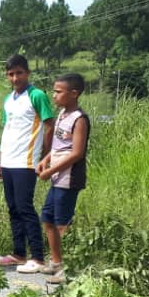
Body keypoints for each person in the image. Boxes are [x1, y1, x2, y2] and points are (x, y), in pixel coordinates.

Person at [0, 54, 55, 273]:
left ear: (27, 73)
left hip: (27, 161)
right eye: (11, 74)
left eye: (19, 73)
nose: (15, 78)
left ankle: (38, 257)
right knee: (13, 208)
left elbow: (49, 125)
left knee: (25, 207)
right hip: (9, 160)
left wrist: (46, 156)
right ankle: (18, 253)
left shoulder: (36, 95)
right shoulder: (8, 100)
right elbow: (7, 130)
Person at [36, 73, 89, 285]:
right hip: (56, 176)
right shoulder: (62, 115)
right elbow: (59, 146)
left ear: (74, 93)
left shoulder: (79, 119)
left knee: (61, 223)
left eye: (59, 91)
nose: (54, 95)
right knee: (48, 218)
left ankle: (68, 268)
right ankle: (56, 261)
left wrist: (50, 171)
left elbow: (76, 153)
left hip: (69, 178)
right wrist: (46, 160)